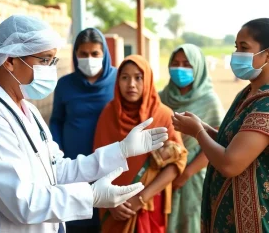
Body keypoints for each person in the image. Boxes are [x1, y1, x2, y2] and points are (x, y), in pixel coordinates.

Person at [0, 15, 169, 233]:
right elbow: (22, 202)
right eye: (44, 60)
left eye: (52, 61)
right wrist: (90, 196)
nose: (50, 69)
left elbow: (58, 169)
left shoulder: (28, 110)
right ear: (10, 60)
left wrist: (121, 150)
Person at [172, 18, 269, 233]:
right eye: (236, 48)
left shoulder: (266, 104)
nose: (237, 55)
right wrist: (203, 128)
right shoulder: (247, 94)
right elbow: (232, 144)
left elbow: (230, 164)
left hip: (253, 221)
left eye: (244, 48)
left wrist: (197, 132)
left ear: (267, 54)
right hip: (227, 215)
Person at [94, 55, 188, 233]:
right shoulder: (108, 114)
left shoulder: (163, 115)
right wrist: (110, 201)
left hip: (149, 205)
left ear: (149, 79)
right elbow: (97, 162)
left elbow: (177, 162)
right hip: (112, 205)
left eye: (138, 77)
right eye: (125, 77)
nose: (131, 84)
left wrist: (141, 198)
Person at [50, 27, 116, 232]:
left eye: (95, 54)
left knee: (107, 218)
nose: (89, 59)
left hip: (109, 165)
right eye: (83, 54)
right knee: (76, 219)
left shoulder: (119, 80)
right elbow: (56, 121)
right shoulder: (65, 85)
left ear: (104, 54)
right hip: (73, 167)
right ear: (75, 55)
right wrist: (56, 154)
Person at [159, 44, 225, 233]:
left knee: (191, 223)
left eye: (187, 64)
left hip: (194, 177)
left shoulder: (209, 100)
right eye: (175, 63)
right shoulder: (163, 97)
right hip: (164, 173)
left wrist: (185, 174)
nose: (180, 68)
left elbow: (215, 144)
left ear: (198, 67)